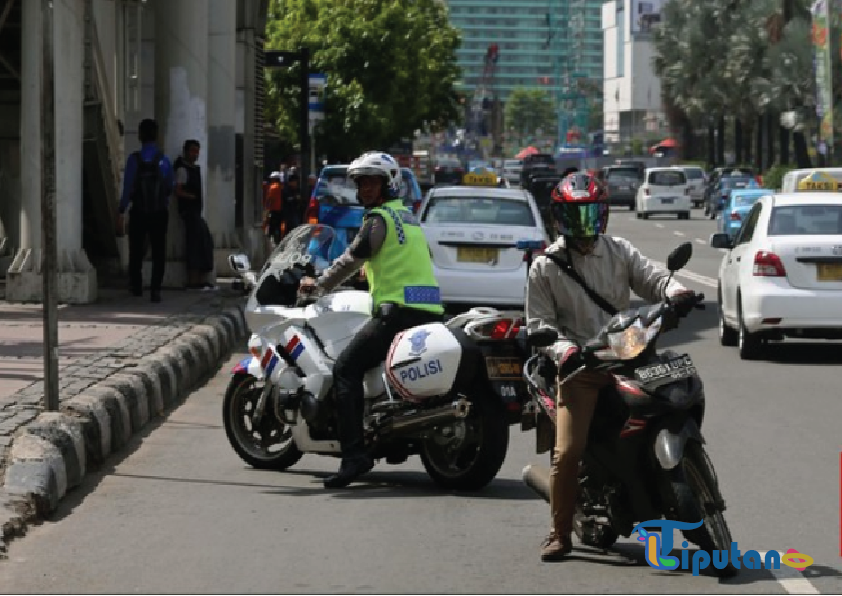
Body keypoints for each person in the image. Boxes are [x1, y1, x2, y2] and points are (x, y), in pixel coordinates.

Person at [525, 172, 694, 562]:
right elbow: (540, 324)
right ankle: (559, 532)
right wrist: (564, 350)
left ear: (601, 216)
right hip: (580, 368)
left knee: (672, 400)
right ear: (558, 218)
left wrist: (676, 292)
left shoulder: (618, 250)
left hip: (629, 355)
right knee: (567, 452)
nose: (581, 225)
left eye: (588, 215)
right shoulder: (545, 267)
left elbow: (652, 279)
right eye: (572, 216)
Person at [298, 151, 444, 489]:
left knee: (345, 369)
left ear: (387, 183)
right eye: (361, 182)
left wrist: (318, 285)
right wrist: (367, 277)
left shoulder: (377, 219)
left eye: (372, 181)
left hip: (398, 312)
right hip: (430, 309)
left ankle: (354, 456)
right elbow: (399, 260)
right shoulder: (406, 217)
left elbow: (352, 257)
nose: (365, 188)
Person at [116, 118, 174, 303]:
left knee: (136, 250)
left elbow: (127, 188)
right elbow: (170, 187)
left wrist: (121, 210)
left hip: (139, 211)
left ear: (140, 136)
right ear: (156, 136)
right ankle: (155, 289)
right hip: (159, 212)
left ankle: (136, 285)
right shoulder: (163, 161)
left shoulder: (134, 160)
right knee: (158, 251)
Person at [174, 139, 214, 289]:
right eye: (192, 151)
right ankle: (193, 280)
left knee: (204, 242)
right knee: (194, 246)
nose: (195, 154)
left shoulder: (193, 168)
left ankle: (200, 279)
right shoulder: (182, 169)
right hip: (189, 212)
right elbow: (178, 190)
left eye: (197, 151)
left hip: (195, 212)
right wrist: (190, 196)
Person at [264, 171, 284, 244]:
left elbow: (269, 199)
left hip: (273, 210)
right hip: (281, 210)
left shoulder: (273, 187)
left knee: (271, 228)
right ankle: (278, 240)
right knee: (278, 227)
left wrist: (266, 210)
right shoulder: (282, 187)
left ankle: (270, 241)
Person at [282, 167, 302, 236]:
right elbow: (287, 199)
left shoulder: (297, 190)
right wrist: (294, 198)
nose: (295, 184)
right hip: (288, 212)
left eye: (296, 182)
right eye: (294, 182)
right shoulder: (286, 190)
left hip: (296, 211)